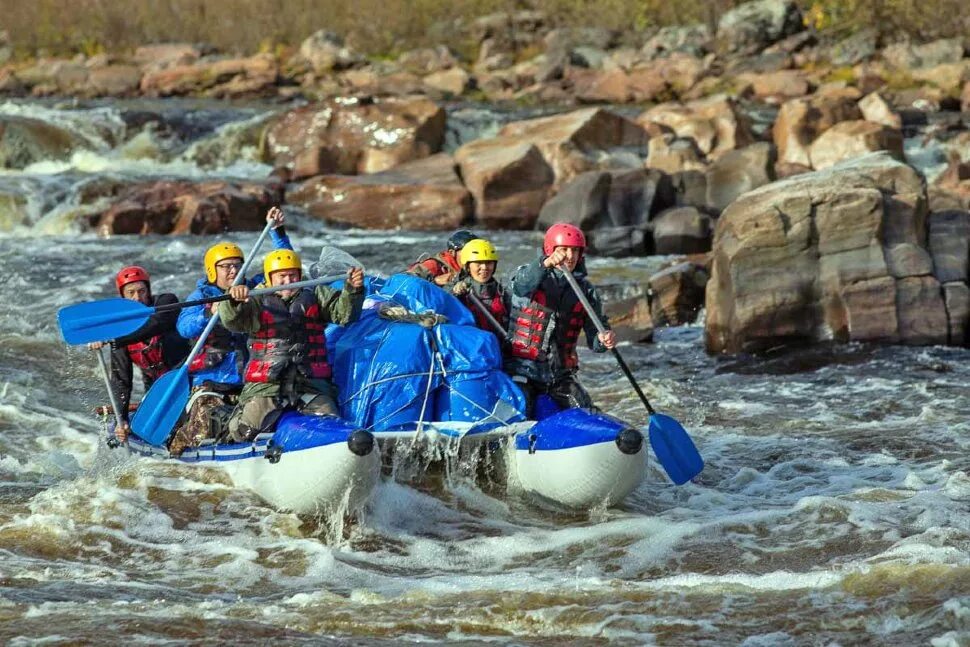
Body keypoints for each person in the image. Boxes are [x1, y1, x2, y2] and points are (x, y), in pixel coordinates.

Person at [168, 207, 292, 454]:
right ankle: (176, 451)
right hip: (212, 384)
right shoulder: (201, 296)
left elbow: (284, 269)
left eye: (237, 266)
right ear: (213, 271)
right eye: (226, 267)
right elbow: (183, 327)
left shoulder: (254, 287)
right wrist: (209, 312)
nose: (234, 271)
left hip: (250, 382)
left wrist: (278, 231)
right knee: (203, 428)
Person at [218, 249, 365, 442]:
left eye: (292, 275)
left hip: (310, 383)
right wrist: (233, 301)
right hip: (267, 386)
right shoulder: (254, 299)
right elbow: (232, 321)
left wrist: (352, 290)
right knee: (245, 431)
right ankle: (228, 424)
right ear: (270, 278)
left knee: (331, 425)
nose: (288, 281)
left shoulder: (316, 293)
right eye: (282, 276)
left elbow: (344, 314)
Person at [506, 223, 616, 417]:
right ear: (550, 250)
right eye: (564, 249)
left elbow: (595, 340)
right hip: (523, 371)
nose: (570, 256)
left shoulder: (586, 291)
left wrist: (603, 339)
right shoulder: (528, 275)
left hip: (560, 375)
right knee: (520, 407)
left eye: (575, 250)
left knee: (586, 411)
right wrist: (545, 263)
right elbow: (520, 286)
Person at [90, 266, 190, 443]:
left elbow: (155, 324)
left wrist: (115, 339)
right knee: (132, 429)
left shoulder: (167, 303)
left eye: (142, 291)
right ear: (123, 297)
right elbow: (121, 381)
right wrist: (122, 419)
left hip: (187, 381)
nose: (137, 298)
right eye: (131, 293)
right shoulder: (119, 335)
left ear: (149, 291)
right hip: (156, 389)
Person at [446, 238, 510, 344]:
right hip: (468, 349)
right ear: (467, 266)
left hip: (496, 350)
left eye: (489, 263)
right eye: (478, 263)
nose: (484, 267)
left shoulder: (503, 293)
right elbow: (441, 305)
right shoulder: (456, 289)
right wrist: (454, 292)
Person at [406, 229, 479, 286]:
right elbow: (403, 281)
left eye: (476, 251)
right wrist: (435, 282)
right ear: (452, 252)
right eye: (467, 251)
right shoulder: (433, 265)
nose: (472, 255)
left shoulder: (482, 265)